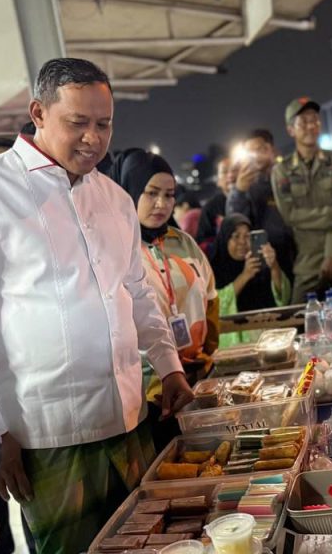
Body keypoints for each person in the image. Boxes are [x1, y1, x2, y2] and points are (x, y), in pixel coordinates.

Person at [0, 58, 193, 554]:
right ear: (38, 112)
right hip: (46, 435)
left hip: (128, 417)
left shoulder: (115, 198)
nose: (93, 138)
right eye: (78, 123)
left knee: (153, 543)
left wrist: (170, 368)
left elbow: (135, 292)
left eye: (103, 124)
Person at [109, 148, 220, 450]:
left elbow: (210, 296)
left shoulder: (182, 241)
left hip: (198, 378)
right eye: (151, 193)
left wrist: (205, 356)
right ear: (128, 190)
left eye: (169, 195)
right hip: (147, 395)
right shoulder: (114, 249)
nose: (162, 204)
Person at [272, 97, 332, 299]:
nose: (311, 126)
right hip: (307, 262)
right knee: (301, 319)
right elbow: (290, 215)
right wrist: (331, 213)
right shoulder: (282, 170)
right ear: (291, 130)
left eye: (315, 120)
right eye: (303, 122)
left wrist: (331, 255)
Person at [210, 214, 292, 348]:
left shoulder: (260, 264)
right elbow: (216, 306)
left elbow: (283, 297)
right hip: (232, 342)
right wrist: (245, 276)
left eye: (248, 236)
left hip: (267, 338)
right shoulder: (213, 270)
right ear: (225, 239)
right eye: (236, 236)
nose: (242, 242)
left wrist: (274, 266)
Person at [227, 129, 295, 278]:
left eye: (261, 149)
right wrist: (239, 190)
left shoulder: (289, 176)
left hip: (296, 252)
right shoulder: (243, 184)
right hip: (263, 259)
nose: (256, 156)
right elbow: (234, 221)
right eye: (250, 151)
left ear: (273, 150)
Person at [197, 157, 236, 245]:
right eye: (225, 172)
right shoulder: (210, 207)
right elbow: (203, 243)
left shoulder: (253, 200)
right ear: (218, 181)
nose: (231, 175)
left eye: (235, 170)